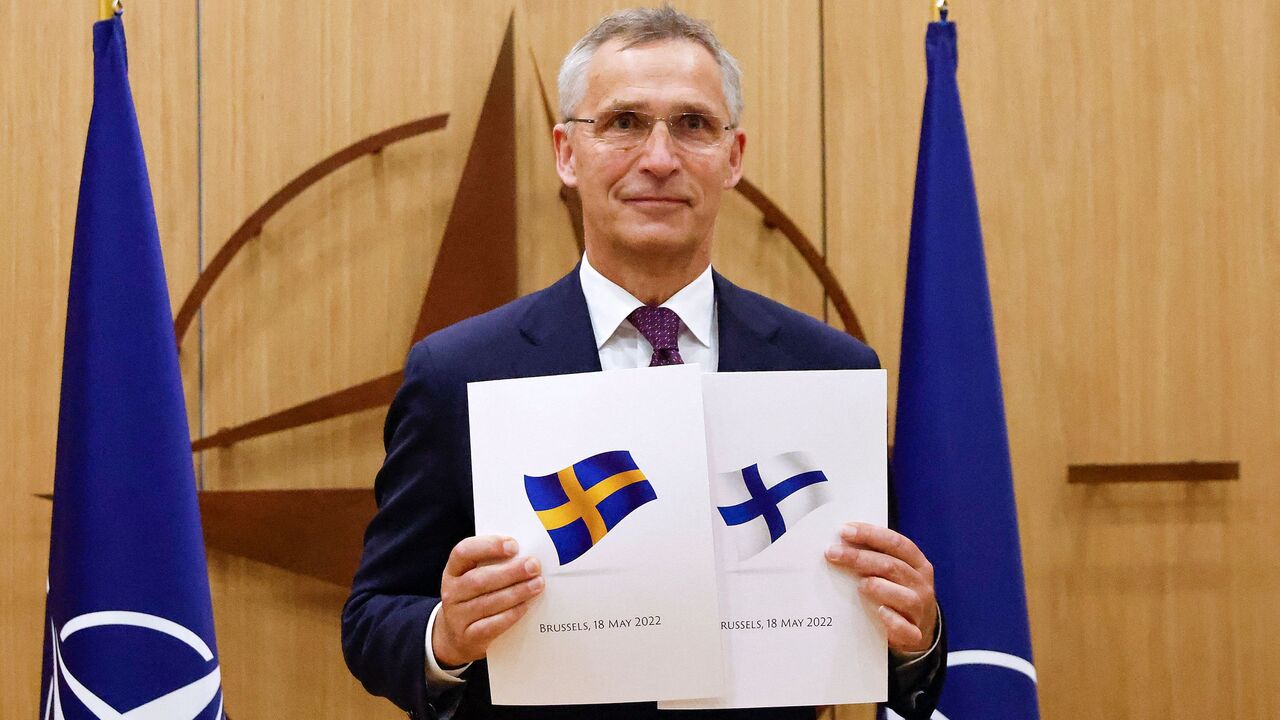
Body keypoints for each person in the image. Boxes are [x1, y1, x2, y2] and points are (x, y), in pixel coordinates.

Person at [342, 7, 945, 720]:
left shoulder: (830, 372)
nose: (659, 158)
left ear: (734, 156)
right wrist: (444, 635)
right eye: (624, 122)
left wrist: (919, 632)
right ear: (566, 153)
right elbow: (373, 618)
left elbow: (895, 640)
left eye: (692, 125)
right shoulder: (459, 374)